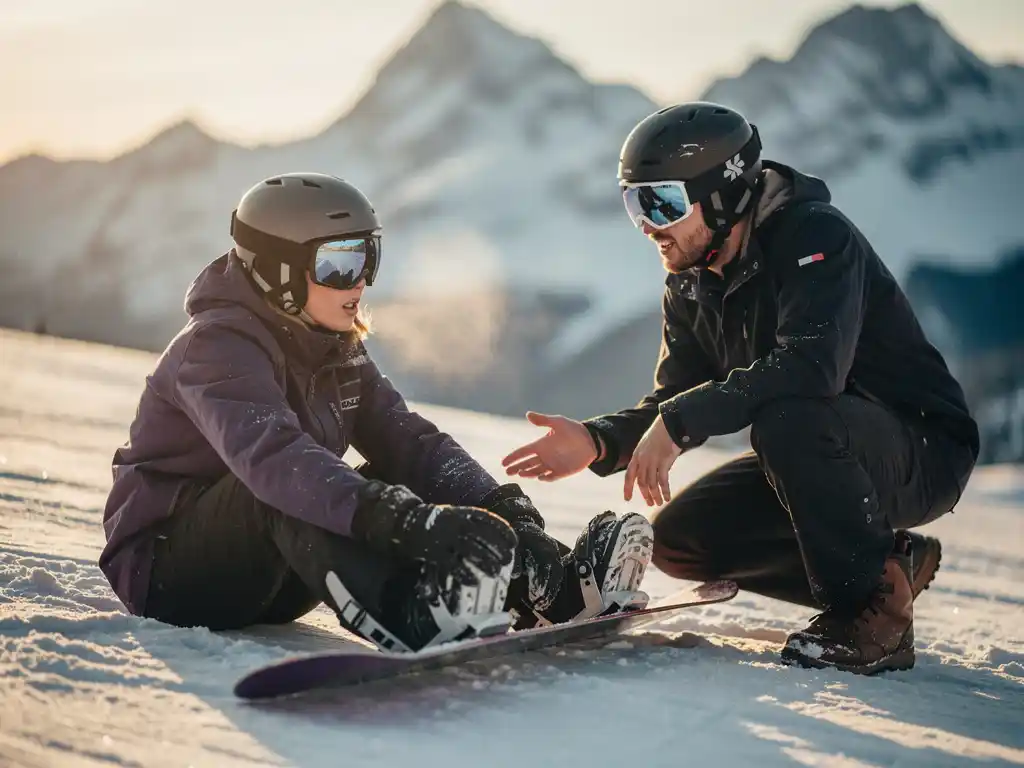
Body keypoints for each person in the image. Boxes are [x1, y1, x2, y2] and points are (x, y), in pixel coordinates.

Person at [501, 102, 980, 675]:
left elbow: (811, 368)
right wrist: (598, 442)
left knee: (789, 418)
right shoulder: (689, 283)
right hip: (821, 450)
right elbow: (673, 397)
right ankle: (883, 568)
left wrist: (680, 423)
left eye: (663, 203)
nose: (648, 224)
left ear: (722, 194)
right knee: (682, 540)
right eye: (634, 203)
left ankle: (872, 617)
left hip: (920, 448)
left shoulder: (815, 239)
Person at [99, 172, 654, 652]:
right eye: (339, 262)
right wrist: (410, 525)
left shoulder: (333, 346)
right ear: (279, 271)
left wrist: (508, 516)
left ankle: (559, 589)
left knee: (399, 472)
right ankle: (415, 614)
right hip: (169, 574)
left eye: (368, 255)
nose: (360, 280)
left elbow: (410, 441)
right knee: (293, 483)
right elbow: (274, 459)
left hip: (282, 569)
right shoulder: (216, 347)